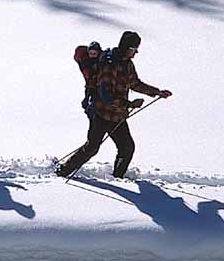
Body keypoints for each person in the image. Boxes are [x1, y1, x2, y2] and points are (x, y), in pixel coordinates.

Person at [56, 31, 172, 179]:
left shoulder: (128, 64)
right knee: (92, 147)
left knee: (127, 147)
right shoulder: (109, 65)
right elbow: (107, 97)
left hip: (117, 115)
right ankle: (63, 172)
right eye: (133, 49)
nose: (136, 53)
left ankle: (117, 179)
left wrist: (157, 92)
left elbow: (135, 83)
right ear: (125, 47)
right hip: (101, 114)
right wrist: (130, 104)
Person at [74, 41, 102, 118]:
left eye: (94, 53)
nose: (92, 56)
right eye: (91, 53)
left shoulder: (101, 63)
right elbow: (88, 78)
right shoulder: (85, 63)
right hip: (91, 89)